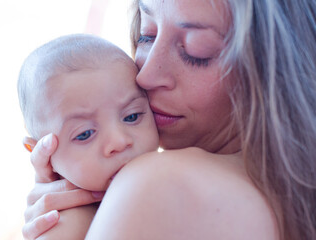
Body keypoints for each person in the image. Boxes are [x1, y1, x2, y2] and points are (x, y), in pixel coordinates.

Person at [22, 0, 316, 239]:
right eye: (146, 36)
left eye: (196, 50)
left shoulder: (157, 185)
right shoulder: (288, 198)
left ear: (272, 70)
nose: (145, 75)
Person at [17, 34, 159, 239]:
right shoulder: (68, 225)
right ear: (41, 153)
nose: (119, 141)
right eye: (84, 134)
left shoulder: (173, 175)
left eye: (132, 116)